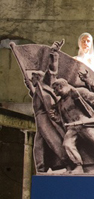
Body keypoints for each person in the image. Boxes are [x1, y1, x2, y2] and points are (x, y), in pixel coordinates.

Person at [28, 41, 72, 172]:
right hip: (39, 120)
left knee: (54, 142)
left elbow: (52, 70)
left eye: (33, 77)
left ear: (38, 77)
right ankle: (41, 169)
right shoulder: (38, 90)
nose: (31, 79)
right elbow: (38, 99)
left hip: (47, 119)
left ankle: (67, 162)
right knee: (38, 146)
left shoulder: (47, 82)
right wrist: (31, 89)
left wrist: (54, 53)